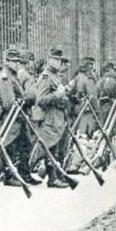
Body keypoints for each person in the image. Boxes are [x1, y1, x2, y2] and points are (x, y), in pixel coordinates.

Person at [0, 48, 40, 187]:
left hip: (18, 117)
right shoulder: (5, 78)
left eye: (18, 61)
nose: (18, 64)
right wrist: (26, 98)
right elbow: (9, 103)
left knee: (24, 145)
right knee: (10, 146)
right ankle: (9, 175)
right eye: (14, 61)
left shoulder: (13, 76)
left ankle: (24, 174)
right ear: (7, 62)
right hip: (10, 118)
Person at [27, 48, 72, 188]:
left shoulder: (55, 76)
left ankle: (54, 176)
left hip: (57, 118)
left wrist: (63, 96)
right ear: (50, 60)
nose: (60, 63)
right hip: (49, 119)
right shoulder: (46, 77)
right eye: (57, 60)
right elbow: (40, 100)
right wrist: (58, 95)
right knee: (48, 148)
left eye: (60, 60)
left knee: (55, 149)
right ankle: (48, 177)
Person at [69, 56, 100, 136]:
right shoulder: (87, 78)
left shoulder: (76, 76)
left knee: (76, 131)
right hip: (86, 109)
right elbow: (92, 96)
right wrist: (97, 110)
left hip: (77, 108)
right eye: (91, 64)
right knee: (84, 134)